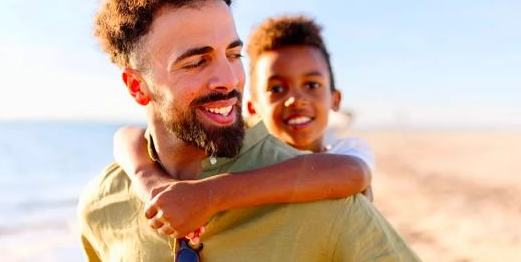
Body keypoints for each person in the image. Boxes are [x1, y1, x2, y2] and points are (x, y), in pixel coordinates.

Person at [78, 0, 469, 262]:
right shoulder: (102, 207)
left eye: (233, 54)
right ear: (137, 87)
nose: (229, 80)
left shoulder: (320, 200)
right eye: (196, 61)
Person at [112, 14, 375, 242]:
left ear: (336, 99)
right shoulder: (241, 148)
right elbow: (127, 136)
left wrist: (209, 196)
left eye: (312, 85)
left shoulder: (345, 150)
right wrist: (148, 179)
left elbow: (353, 172)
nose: (296, 99)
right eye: (276, 89)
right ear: (250, 107)